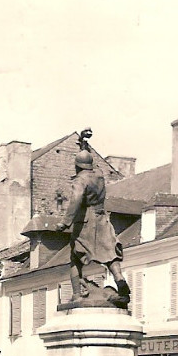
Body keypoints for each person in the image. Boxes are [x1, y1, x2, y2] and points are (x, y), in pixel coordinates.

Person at [57, 129, 131, 307]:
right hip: (102, 218)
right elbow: (89, 161)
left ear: (77, 166)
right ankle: (120, 281)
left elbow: (76, 201)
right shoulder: (99, 175)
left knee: (75, 258)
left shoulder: (79, 180)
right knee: (110, 255)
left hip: (86, 222)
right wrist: (83, 144)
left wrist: (65, 222)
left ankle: (76, 295)